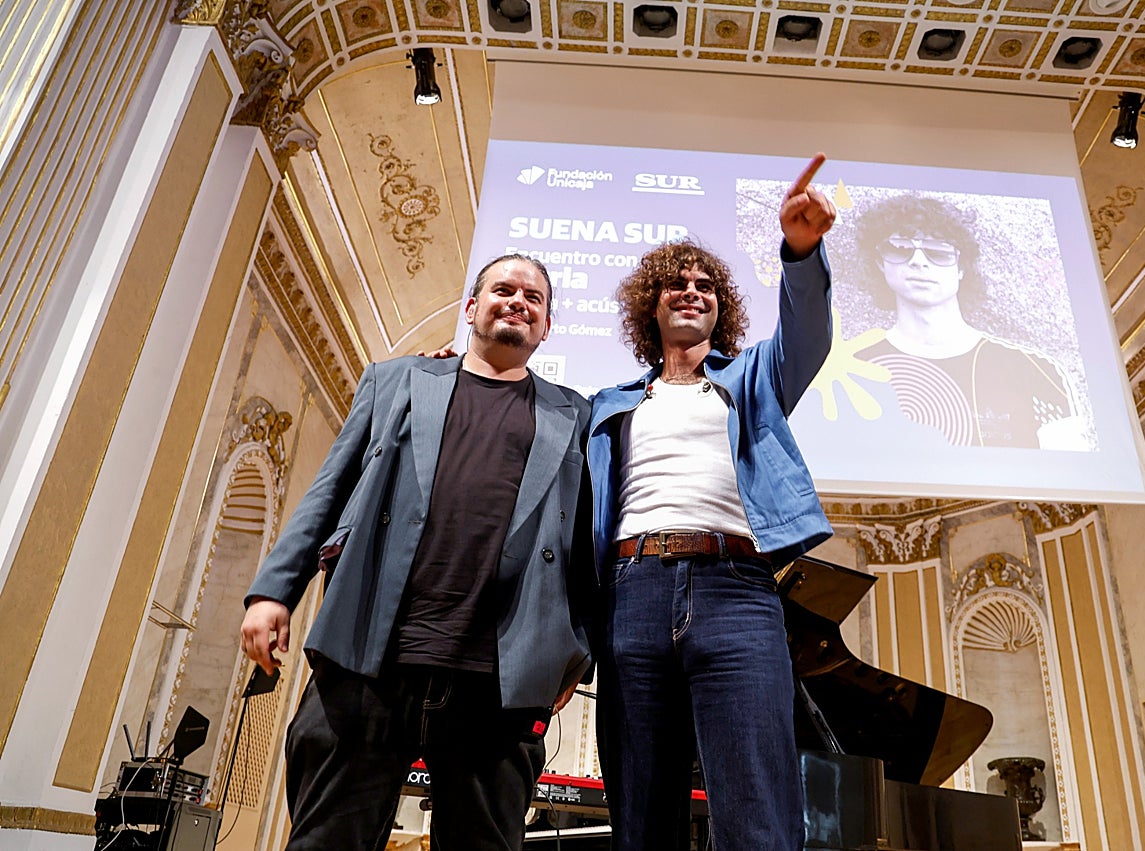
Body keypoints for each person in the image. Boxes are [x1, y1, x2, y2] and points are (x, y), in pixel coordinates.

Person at [239, 253, 595, 851]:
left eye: (534, 299)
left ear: (547, 326)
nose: (518, 303)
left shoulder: (575, 415)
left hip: (497, 682)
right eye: (503, 290)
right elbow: (330, 488)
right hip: (367, 659)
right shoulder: (397, 380)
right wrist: (274, 591)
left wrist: (576, 653)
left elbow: (584, 541)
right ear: (471, 308)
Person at [587, 155, 837, 850]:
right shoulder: (607, 405)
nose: (691, 290)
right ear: (652, 304)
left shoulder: (752, 376)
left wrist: (801, 252)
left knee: (757, 805)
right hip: (631, 595)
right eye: (675, 283)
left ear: (721, 304)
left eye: (704, 284)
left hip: (737, 591)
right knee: (641, 810)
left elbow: (809, 334)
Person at [853, 193, 1086, 449]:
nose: (918, 262)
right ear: (879, 262)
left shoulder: (1035, 370)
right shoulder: (853, 368)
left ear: (961, 267)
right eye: (900, 249)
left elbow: (1072, 473)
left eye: (938, 252)